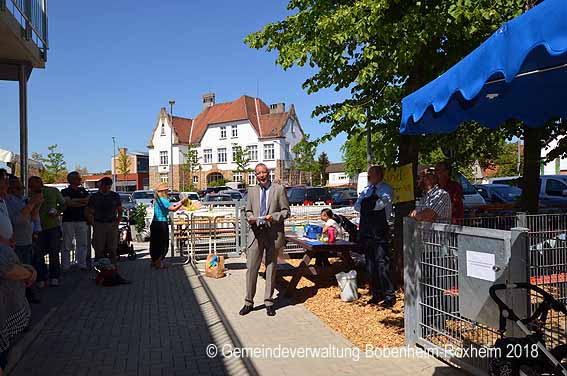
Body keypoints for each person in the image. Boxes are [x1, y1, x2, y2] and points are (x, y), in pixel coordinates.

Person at [240, 163, 290, 317]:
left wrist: (273, 217)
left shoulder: (278, 190)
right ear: (255, 175)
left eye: (264, 172)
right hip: (256, 233)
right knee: (251, 269)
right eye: (258, 173)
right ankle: (249, 302)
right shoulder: (252, 191)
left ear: (269, 173)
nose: (261, 175)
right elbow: (248, 210)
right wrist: (249, 218)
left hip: (273, 233)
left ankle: (268, 302)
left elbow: (286, 212)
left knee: (270, 268)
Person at [0, 169, 36, 375]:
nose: (7, 187)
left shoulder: (3, 201)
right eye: (4, 183)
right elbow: (5, 269)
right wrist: (28, 273)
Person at [354, 165, 396, 308]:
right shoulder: (366, 190)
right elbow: (357, 206)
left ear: (378, 175)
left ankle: (389, 295)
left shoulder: (386, 189)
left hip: (379, 231)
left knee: (382, 263)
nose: (368, 178)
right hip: (367, 231)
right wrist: (368, 204)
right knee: (370, 263)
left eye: (370, 175)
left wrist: (367, 204)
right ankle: (376, 293)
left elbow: (380, 205)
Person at [6, 176, 43, 302]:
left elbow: (32, 217)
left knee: (29, 266)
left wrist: (36, 205)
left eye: (22, 187)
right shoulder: (8, 201)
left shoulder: (22, 199)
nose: (21, 190)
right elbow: (17, 220)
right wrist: (32, 203)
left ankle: (28, 294)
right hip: (17, 241)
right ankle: (21, 297)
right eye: (18, 188)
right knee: (20, 269)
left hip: (28, 239)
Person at [29, 176, 65, 287]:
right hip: (36, 228)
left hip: (52, 227)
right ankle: (41, 278)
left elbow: (63, 204)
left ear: (40, 183)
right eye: (31, 184)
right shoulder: (28, 194)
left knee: (54, 253)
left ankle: (54, 277)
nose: (32, 186)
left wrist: (57, 212)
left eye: (34, 184)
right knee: (38, 254)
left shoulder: (53, 191)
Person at [149, 183, 187, 269]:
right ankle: (158, 262)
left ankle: (154, 261)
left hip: (155, 223)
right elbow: (173, 209)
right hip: (161, 224)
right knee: (162, 243)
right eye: (167, 191)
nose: (168, 193)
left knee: (154, 243)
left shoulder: (157, 199)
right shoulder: (163, 200)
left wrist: (179, 202)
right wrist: (182, 203)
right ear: (163, 192)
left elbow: (172, 205)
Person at [86, 177, 122, 265]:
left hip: (112, 223)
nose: (106, 188)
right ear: (101, 186)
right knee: (99, 248)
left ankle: (113, 267)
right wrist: (93, 223)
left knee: (112, 248)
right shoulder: (94, 196)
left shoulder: (115, 196)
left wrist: (117, 222)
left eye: (108, 186)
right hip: (99, 223)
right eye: (104, 186)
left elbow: (120, 210)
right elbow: (88, 211)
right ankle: (99, 267)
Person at [61, 171, 90, 270]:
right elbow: (69, 203)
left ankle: (82, 264)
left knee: (82, 243)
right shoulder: (65, 191)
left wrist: (74, 201)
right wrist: (81, 202)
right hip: (68, 220)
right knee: (66, 244)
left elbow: (87, 201)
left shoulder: (83, 190)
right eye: (78, 178)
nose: (80, 180)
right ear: (72, 180)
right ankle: (66, 265)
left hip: (82, 220)